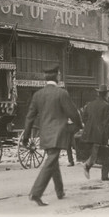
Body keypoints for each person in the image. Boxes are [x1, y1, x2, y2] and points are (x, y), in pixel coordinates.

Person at [22, 64, 82, 206]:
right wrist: (79, 125)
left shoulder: (37, 95)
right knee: (51, 162)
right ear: (57, 76)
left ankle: (60, 191)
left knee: (52, 161)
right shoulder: (62, 93)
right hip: (59, 133)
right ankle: (36, 193)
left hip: (45, 134)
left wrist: (26, 136)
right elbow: (73, 113)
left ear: (45, 77)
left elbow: (29, 117)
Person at [81, 84, 109, 181]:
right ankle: (99, 172)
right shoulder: (106, 106)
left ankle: (90, 166)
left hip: (90, 134)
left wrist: (90, 127)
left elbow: (84, 118)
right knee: (108, 153)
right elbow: (108, 123)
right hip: (102, 134)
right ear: (106, 94)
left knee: (96, 151)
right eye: (108, 93)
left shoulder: (90, 104)